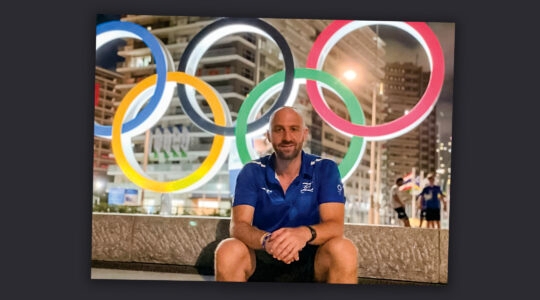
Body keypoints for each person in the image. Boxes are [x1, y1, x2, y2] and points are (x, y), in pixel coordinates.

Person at [214, 106, 358, 283]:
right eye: (279, 129)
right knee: (228, 249)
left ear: (304, 134)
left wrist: (303, 234)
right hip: (263, 257)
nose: (287, 137)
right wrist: (267, 241)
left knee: (344, 249)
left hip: (311, 261)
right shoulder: (252, 171)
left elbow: (335, 226)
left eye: (294, 129)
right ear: (268, 135)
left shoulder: (325, 169)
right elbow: (239, 227)